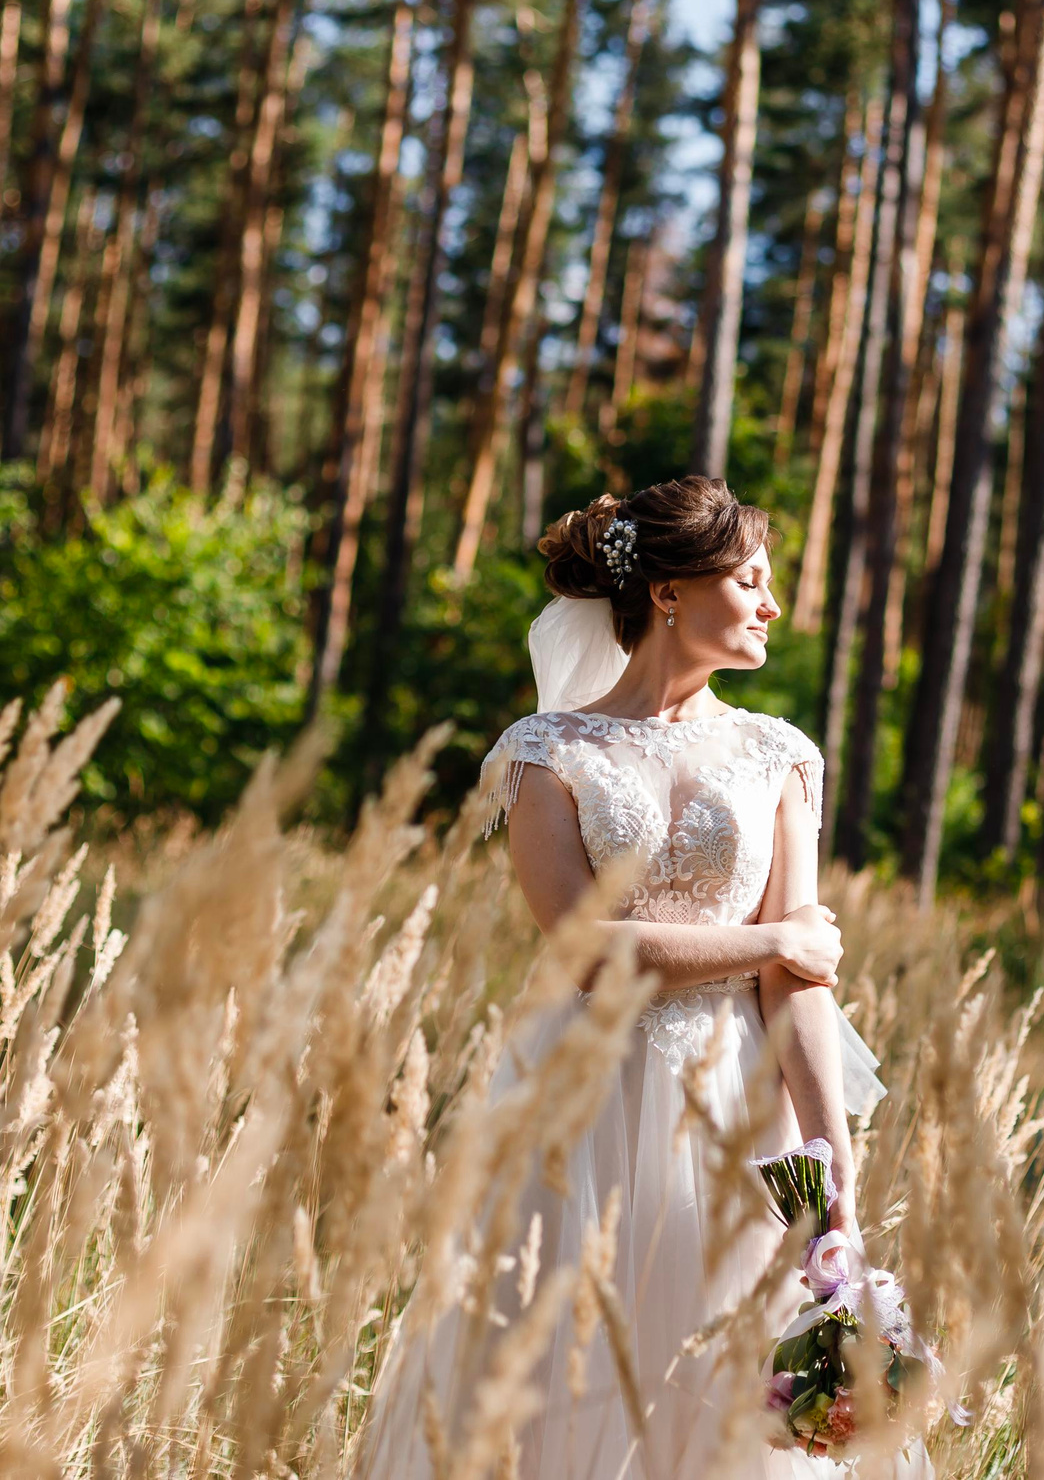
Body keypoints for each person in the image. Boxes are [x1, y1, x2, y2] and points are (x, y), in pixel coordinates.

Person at [357, 476, 910, 1479]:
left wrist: (832, 1158)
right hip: (585, 1098)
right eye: (750, 579)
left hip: (744, 1105)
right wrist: (774, 941)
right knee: (565, 1365)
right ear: (668, 593)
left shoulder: (778, 755)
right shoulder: (547, 753)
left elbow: (804, 987)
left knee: (732, 1381)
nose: (771, 604)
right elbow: (581, 946)